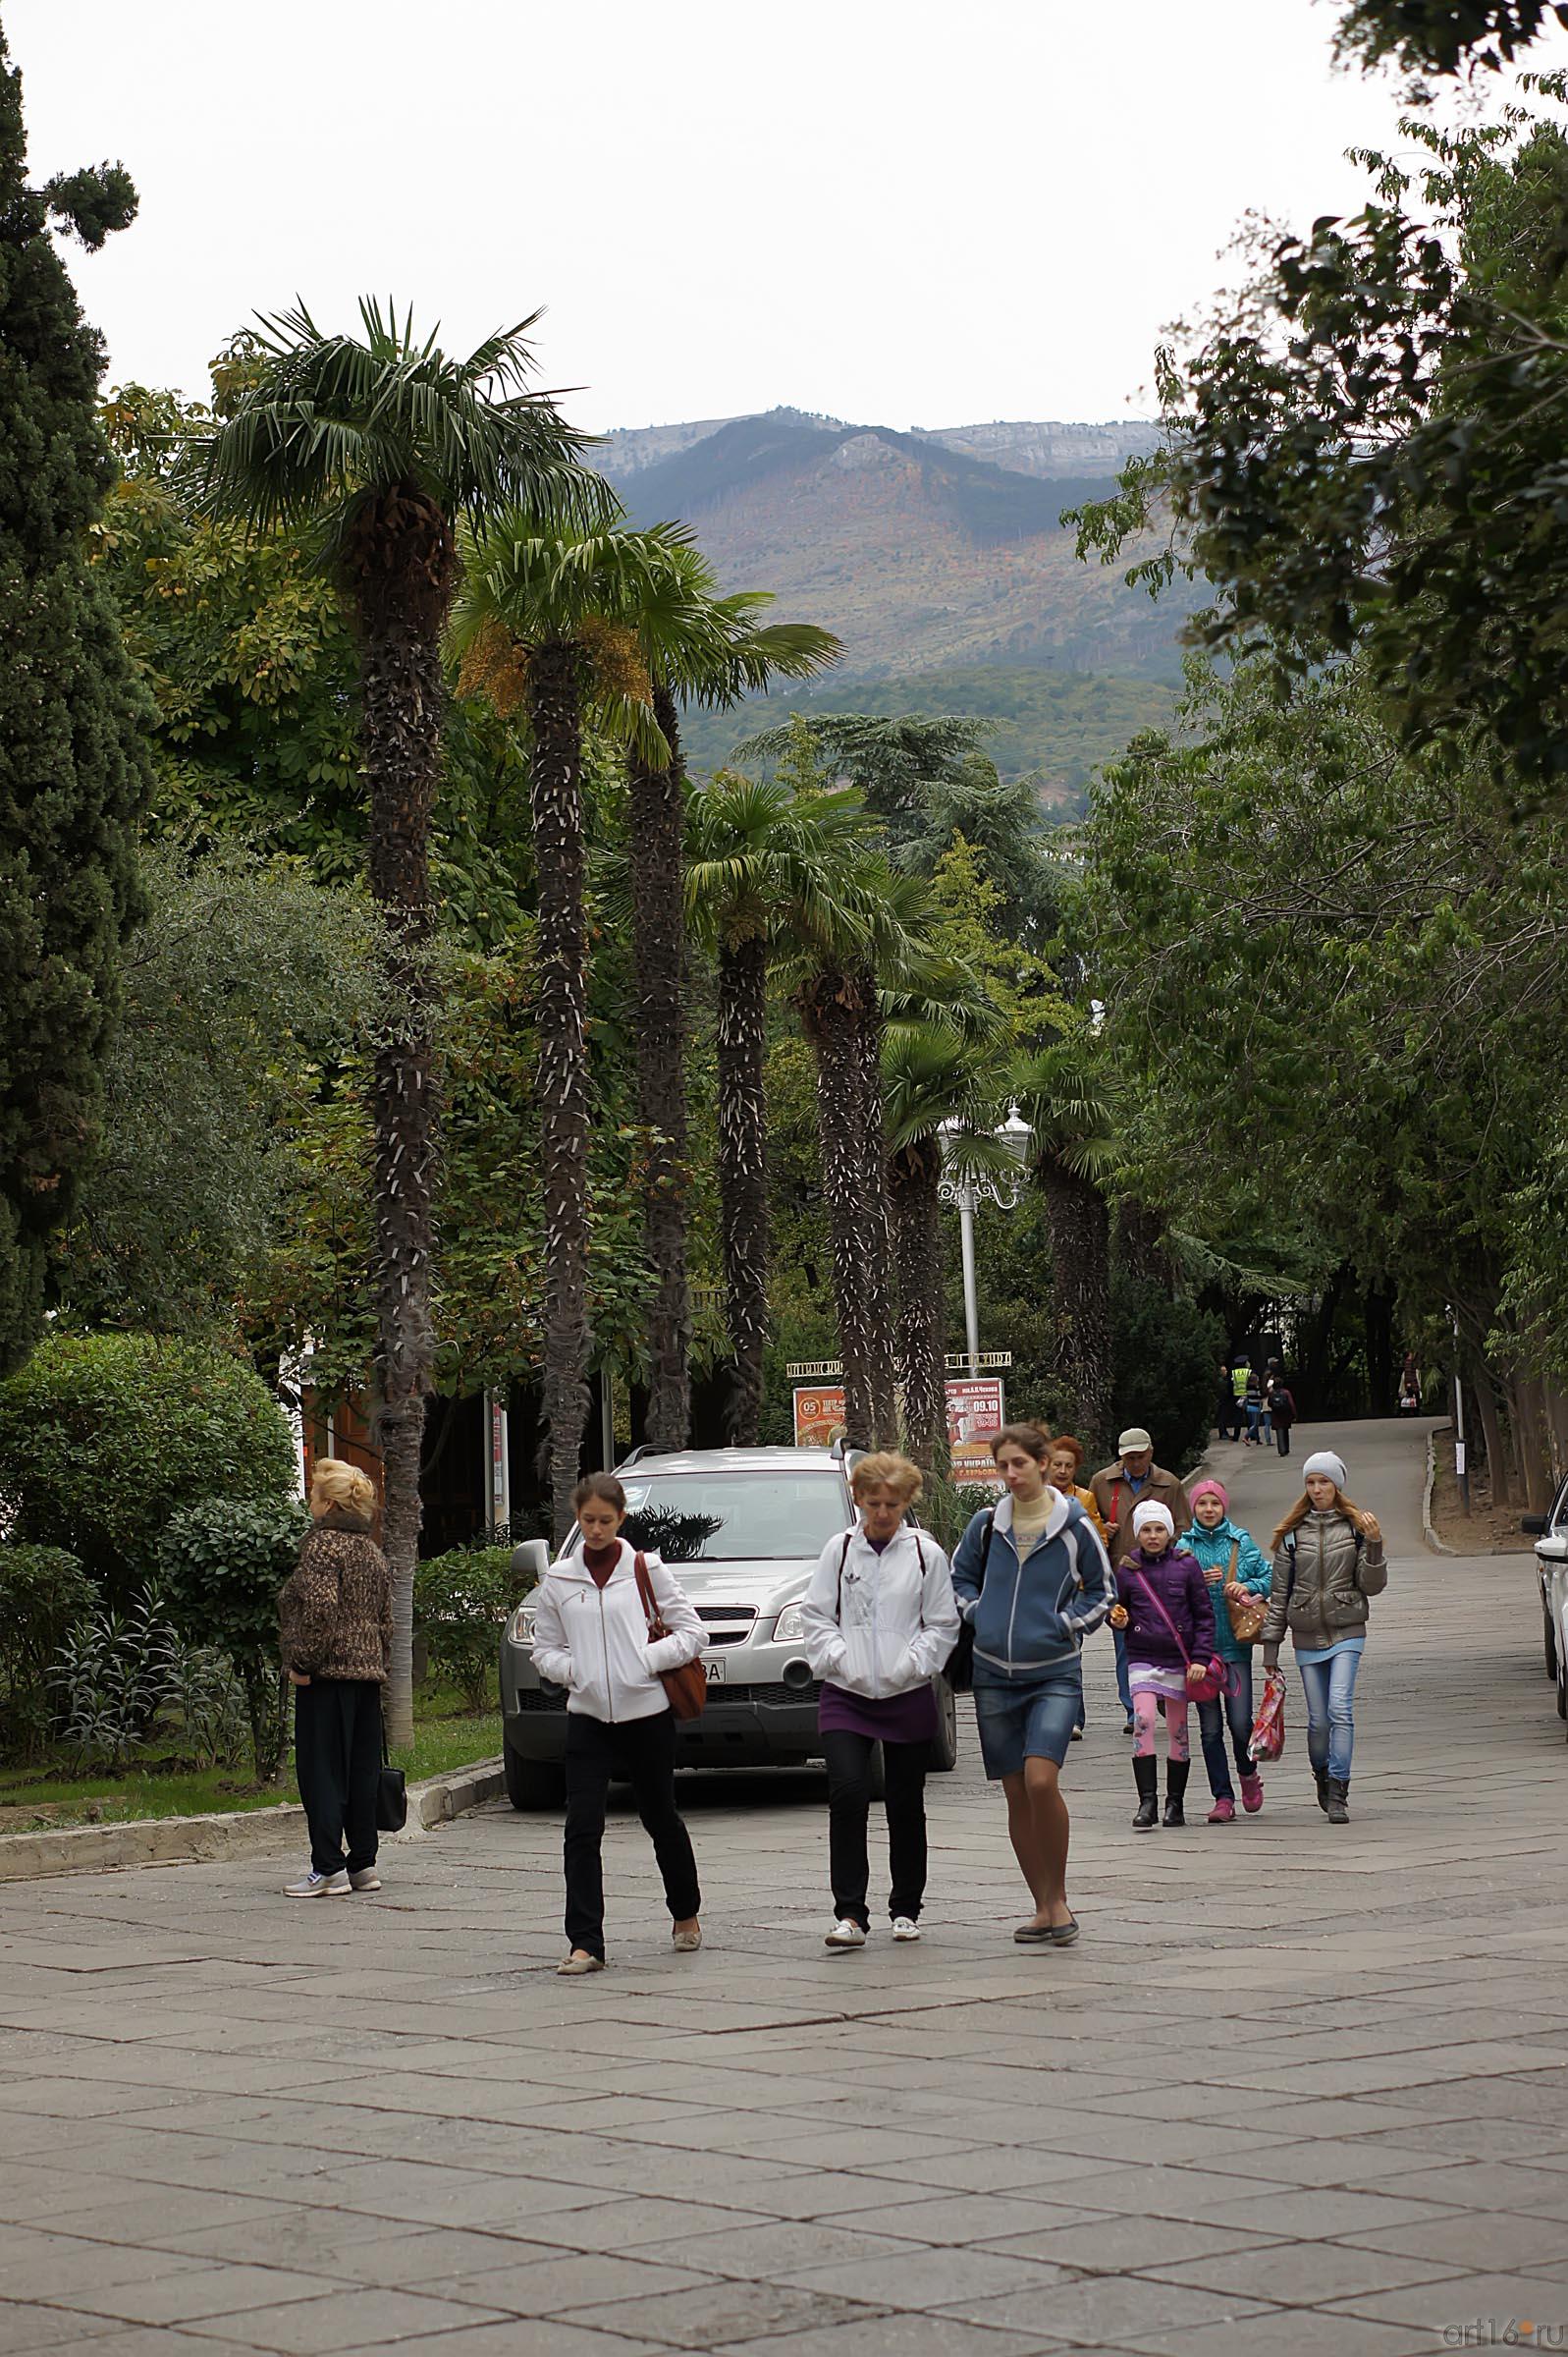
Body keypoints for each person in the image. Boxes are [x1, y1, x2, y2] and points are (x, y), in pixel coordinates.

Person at [530, 1472, 705, 1974]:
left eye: (606, 1521)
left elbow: (693, 1633)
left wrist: (647, 1660)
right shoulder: (560, 1580)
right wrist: (573, 1671)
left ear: (621, 1518)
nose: (597, 1530)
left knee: (660, 1816)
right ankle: (585, 1942)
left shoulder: (646, 1569)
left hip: (646, 1714)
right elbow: (545, 1648)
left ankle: (684, 1911)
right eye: (588, 1521)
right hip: (587, 1717)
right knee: (582, 1827)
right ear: (577, 1518)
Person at [951, 1422, 1113, 1946]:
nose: (1010, 1474)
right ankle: (1042, 1906)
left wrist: (1064, 1624)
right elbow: (958, 1580)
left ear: (1044, 1464)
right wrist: (980, 1613)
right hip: (993, 1675)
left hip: (1054, 1674)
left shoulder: (1074, 1524)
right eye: (1002, 1466)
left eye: (1019, 1463)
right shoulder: (984, 1525)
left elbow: (1104, 1591)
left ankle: (1060, 1896)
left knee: (1042, 1780)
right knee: (1016, 1794)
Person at [799, 1452, 958, 1950]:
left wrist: (911, 1664)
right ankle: (849, 1913)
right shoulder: (839, 1550)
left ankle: (906, 1907)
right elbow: (816, 1615)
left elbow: (943, 1624)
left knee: (905, 1802)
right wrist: (839, 1658)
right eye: (873, 1503)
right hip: (846, 1692)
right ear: (858, 1499)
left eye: (892, 1504)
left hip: (905, 1691)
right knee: (847, 1794)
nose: (882, 1513)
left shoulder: (925, 1554)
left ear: (906, 1502)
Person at [278, 1457, 393, 1898]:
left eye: (314, 1493)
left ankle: (327, 1868)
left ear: (327, 1503)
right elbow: (386, 1620)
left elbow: (319, 1612)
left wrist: (302, 1665)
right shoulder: (371, 1550)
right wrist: (377, 1662)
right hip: (366, 1677)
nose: (310, 1500)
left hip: (326, 1677)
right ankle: (363, 1863)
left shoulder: (322, 1547)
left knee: (321, 1771)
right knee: (360, 1772)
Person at [1260, 1449, 1386, 1825]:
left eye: (1324, 1482)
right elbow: (1279, 1593)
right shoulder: (1292, 1537)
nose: (1317, 1489)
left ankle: (1339, 1791)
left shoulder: (1356, 1529)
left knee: (1339, 1709)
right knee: (1318, 1720)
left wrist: (1375, 1545)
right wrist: (1271, 1645)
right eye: (1311, 1482)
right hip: (1306, 1633)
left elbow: (1372, 1586)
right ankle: (1321, 1773)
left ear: (1337, 1485)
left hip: (1348, 1629)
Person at [1109, 1500, 1219, 1830]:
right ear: (1137, 1533)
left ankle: (1176, 1802)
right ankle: (1147, 1800)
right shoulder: (1128, 1570)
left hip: (1178, 1661)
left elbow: (1203, 1616)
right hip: (1142, 1657)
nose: (1153, 1535)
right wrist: (1117, 1619)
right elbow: (1117, 1610)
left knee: (1178, 1729)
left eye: (1159, 1529)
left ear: (1169, 1533)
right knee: (1143, 1719)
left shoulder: (1186, 1567)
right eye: (1146, 1530)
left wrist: (1200, 1659)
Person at [1180, 1478, 1272, 1822]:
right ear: (1194, 1508)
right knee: (1209, 1728)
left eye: (1214, 1504)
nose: (1208, 1510)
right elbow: (1170, 1590)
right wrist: (1194, 1582)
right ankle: (1223, 1797)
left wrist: (1244, 1585)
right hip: (1200, 1654)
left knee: (1239, 1722)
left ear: (1223, 1507)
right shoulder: (1183, 1547)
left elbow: (1270, 1577)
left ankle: (1248, 1776)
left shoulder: (1240, 1540)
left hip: (1234, 1647)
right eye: (1202, 1504)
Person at [1090, 1429, 1193, 1733]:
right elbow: (1088, 1522)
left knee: (1165, 1639)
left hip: (1163, 1576)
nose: (1134, 1463)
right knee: (1125, 1641)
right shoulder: (1102, 1482)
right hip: (1119, 1575)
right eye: (1128, 1458)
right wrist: (1101, 1531)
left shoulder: (1169, 1483)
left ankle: (1162, 1695)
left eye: (1140, 1456)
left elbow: (1184, 1526)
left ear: (1150, 1453)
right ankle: (1134, 1707)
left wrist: (1164, 1543)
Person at [1047, 1436, 1106, 1740]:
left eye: (1068, 1466)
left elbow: (1098, 1538)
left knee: (1072, 1652)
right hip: (1043, 1589)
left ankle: (1073, 1718)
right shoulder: (1034, 1498)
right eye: (1057, 1464)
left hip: (1076, 1588)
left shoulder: (1084, 1498)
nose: (1062, 1470)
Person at [1267, 1370, 1297, 1458]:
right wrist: (1294, 1415)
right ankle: (1286, 1448)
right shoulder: (1286, 1392)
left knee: (1279, 1431)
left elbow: (1269, 1403)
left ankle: (1281, 1450)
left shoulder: (1272, 1393)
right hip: (1285, 1414)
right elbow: (1291, 1404)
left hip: (1276, 1414)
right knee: (1285, 1430)